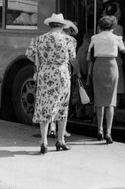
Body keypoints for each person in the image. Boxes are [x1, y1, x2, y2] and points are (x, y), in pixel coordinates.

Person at [25, 13, 77, 154]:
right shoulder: (69, 40)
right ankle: (60, 140)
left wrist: (41, 62)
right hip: (62, 74)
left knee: (44, 106)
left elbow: (29, 54)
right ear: (62, 26)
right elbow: (73, 58)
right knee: (62, 106)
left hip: (45, 74)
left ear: (50, 25)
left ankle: (44, 142)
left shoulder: (39, 39)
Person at [86, 15, 125, 145]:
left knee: (99, 100)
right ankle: (108, 132)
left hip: (98, 67)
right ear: (113, 27)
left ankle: (99, 129)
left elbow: (88, 57)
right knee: (110, 101)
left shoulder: (94, 38)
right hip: (111, 67)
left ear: (100, 26)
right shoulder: (116, 38)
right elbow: (124, 51)